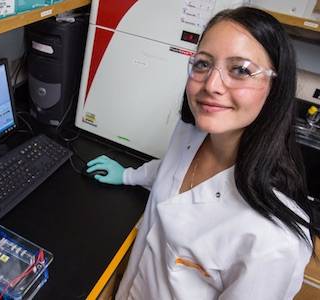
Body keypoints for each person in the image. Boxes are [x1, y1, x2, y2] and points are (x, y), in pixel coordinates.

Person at [86, 6, 320, 300]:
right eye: (203, 64)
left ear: (276, 86)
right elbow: (172, 171)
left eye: (241, 70)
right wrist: (129, 175)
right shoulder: (192, 133)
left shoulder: (273, 242)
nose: (211, 85)